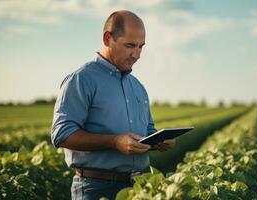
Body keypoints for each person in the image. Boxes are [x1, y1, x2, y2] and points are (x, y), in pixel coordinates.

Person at [51, 10, 176, 200]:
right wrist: (114, 142)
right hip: (96, 188)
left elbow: (147, 130)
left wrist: (157, 140)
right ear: (108, 38)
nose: (137, 54)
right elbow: (61, 134)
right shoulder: (82, 79)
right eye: (129, 46)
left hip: (139, 188)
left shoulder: (137, 87)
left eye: (141, 47)